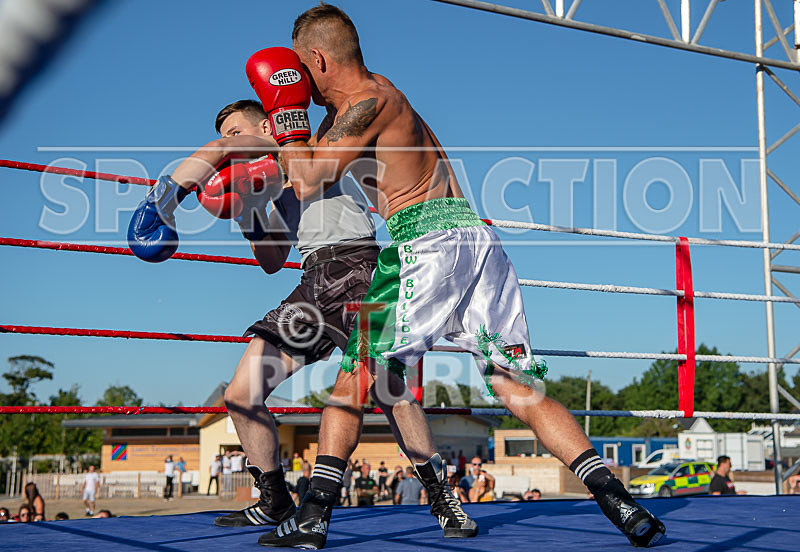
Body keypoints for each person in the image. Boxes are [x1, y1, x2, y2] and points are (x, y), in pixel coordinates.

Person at [250, 4, 665, 549]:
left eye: (302, 72)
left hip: (423, 245)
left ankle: (312, 517)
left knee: (357, 373)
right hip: (478, 245)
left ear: (318, 61)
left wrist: (283, 112)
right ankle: (619, 501)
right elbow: (305, 169)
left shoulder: (366, 103)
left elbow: (305, 180)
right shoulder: (378, 95)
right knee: (516, 386)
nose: (301, 83)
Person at [127, 97, 379, 529]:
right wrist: (248, 207)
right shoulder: (264, 180)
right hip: (314, 279)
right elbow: (272, 258)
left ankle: (436, 493)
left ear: (265, 124)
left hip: (356, 268)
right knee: (241, 394)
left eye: (236, 131)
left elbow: (218, 150)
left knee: (389, 393)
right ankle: (275, 500)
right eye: (227, 135)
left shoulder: (300, 145)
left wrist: (164, 200)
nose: (231, 142)